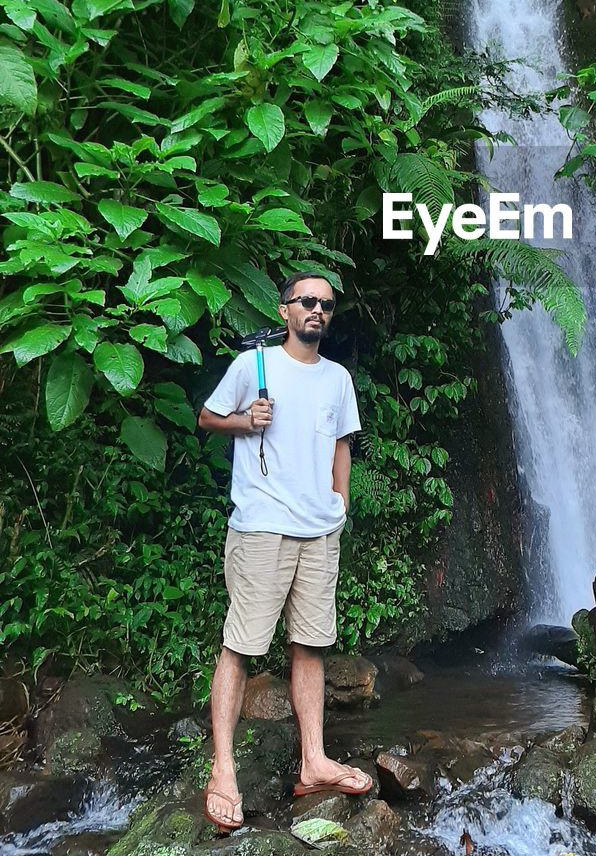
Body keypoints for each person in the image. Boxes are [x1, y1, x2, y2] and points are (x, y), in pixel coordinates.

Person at [197, 270, 373, 833]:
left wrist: (340, 503)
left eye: (325, 303)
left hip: (320, 531)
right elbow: (206, 417)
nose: (316, 309)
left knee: (312, 645)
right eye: (306, 301)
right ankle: (223, 769)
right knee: (240, 646)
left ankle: (314, 760)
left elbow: (342, 444)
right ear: (285, 311)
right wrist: (247, 422)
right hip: (262, 528)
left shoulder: (338, 378)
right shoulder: (255, 367)